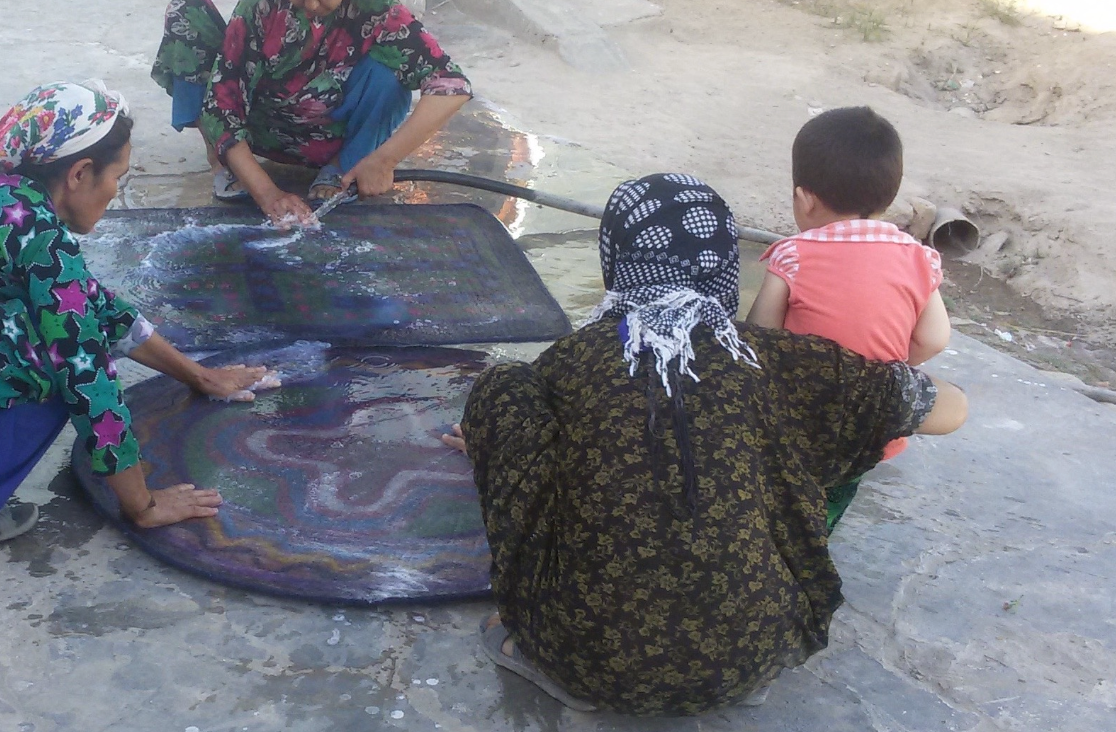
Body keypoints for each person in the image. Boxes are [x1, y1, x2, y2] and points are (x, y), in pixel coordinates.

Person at [441, 174, 967, 715]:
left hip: (585, 656)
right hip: (757, 654)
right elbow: (951, 410)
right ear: (722, 257)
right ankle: (732, 662)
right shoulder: (774, 360)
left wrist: (494, 441)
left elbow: (526, 434)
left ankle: (544, 652)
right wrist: (843, 388)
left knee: (503, 386)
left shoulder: (571, 362)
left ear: (616, 257)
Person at [1, 81, 279, 542]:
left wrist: (199, 376)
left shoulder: (16, 202)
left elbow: (92, 304)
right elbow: (89, 377)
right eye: (118, 176)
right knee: (50, 362)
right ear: (79, 173)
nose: (115, 191)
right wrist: (143, 504)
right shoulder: (40, 239)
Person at [746, 106, 952, 531]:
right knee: (836, 490)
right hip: (873, 422)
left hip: (798, 420)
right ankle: (819, 531)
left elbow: (759, 339)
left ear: (804, 198)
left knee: (779, 489)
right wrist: (887, 365)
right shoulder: (918, 257)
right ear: (889, 197)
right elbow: (934, 339)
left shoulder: (793, 254)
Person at [152, 0, 473, 225]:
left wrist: (384, 159)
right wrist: (266, 192)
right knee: (186, 9)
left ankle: (342, 167)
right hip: (257, 128)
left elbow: (452, 85)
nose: (311, 4)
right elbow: (222, 99)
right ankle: (224, 163)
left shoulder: (379, 11)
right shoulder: (259, 6)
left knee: (391, 75)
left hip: (328, 134)